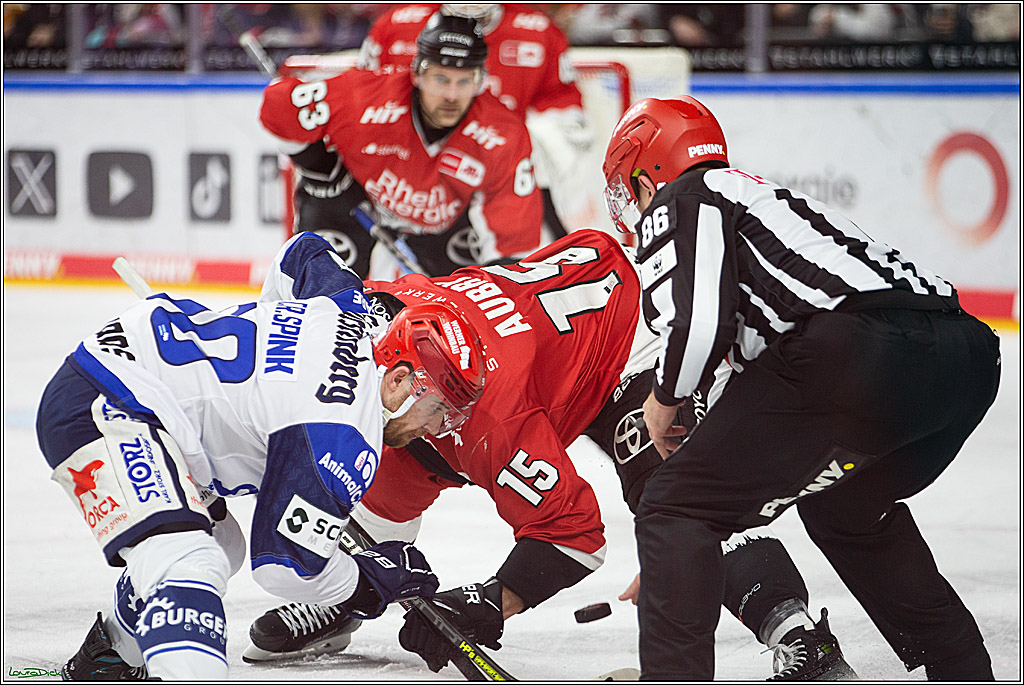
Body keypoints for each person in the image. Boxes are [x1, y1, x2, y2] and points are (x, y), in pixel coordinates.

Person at [242, 229, 856, 680]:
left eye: (453, 414)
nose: (449, 423)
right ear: (393, 369)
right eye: (441, 412)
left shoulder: (488, 421)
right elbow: (300, 254)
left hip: (627, 343)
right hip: (538, 336)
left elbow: (575, 533)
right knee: (373, 480)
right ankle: (350, 599)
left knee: (679, 504)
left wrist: (492, 600)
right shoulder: (350, 320)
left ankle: (799, 637)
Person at [602, 96, 1001, 680]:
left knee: (670, 505)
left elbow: (698, 324)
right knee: (848, 507)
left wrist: (663, 410)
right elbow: (762, 409)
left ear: (648, 171)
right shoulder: (772, 202)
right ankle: (962, 670)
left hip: (856, 356)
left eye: (626, 187)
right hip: (966, 360)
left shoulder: (685, 196)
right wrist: (680, 563)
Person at [38, 231, 489, 680]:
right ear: (400, 381)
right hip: (107, 405)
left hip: (141, 378)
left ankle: (110, 659)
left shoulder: (351, 308)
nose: (435, 431)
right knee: (192, 559)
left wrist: (272, 337)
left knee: (223, 544)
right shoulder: (343, 436)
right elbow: (284, 568)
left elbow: (303, 250)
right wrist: (367, 583)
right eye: (439, 412)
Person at [260, 13, 544, 279]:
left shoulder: (503, 134)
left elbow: (514, 240)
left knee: (455, 313)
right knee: (323, 301)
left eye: (464, 81)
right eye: (441, 79)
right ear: (417, 74)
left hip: (443, 228)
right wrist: (321, 167)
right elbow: (278, 106)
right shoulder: (367, 97)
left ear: (480, 80)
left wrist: (497, 287)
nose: (452, 95)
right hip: (350, 205)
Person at [357, 3, 593, 239]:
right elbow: (362, 106)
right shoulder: (396, 26)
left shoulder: (538, 31)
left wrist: (515, 150)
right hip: (410, 191)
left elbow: (566, 118)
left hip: (504, 189)